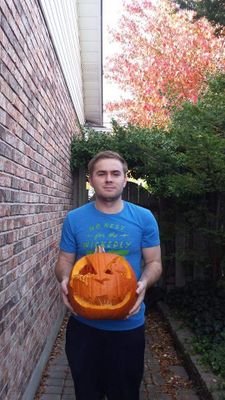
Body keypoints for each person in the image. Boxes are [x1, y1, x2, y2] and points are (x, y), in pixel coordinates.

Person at [55, 150, 162, 400]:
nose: (109, 179)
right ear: (91, 180)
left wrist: (144, 282)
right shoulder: (75, 219)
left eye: (115, 173)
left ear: (125, 179)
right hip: (84, 327)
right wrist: (63, 279)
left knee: (124, 394)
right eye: (101, 173)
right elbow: (64, 261)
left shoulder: (144, 218)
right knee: (86, 393)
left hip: (128, 326)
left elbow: (154, 262)